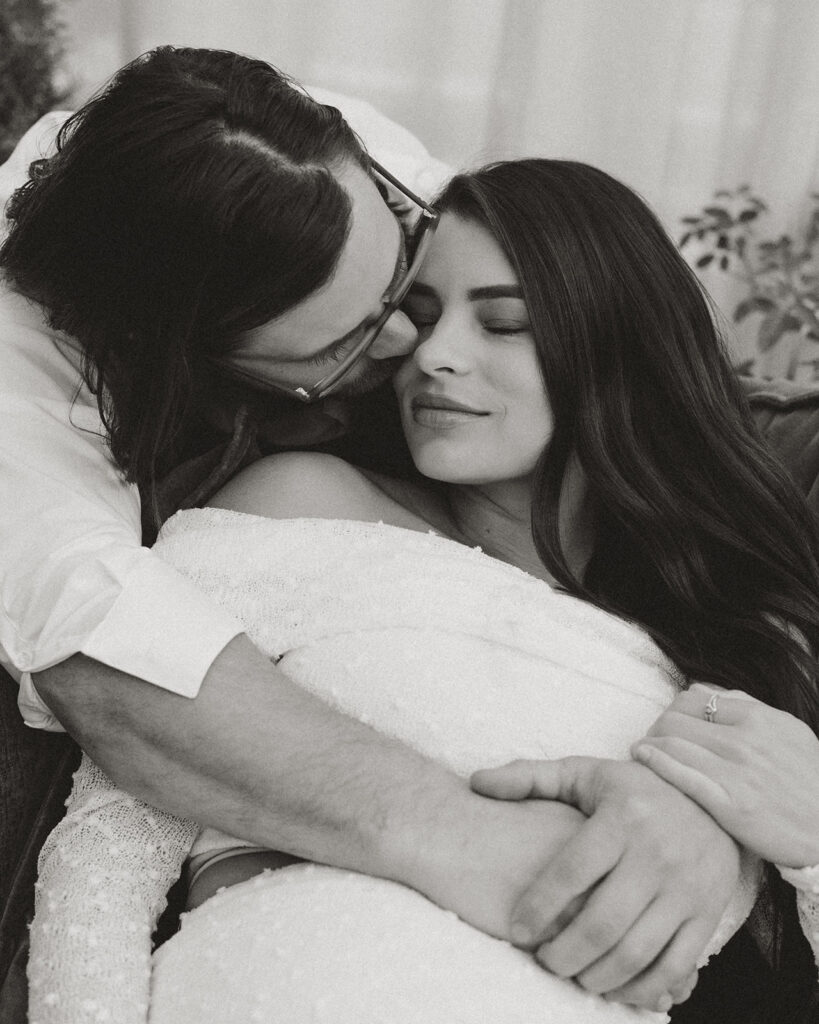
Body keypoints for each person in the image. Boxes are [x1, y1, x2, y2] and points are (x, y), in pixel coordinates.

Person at [0, 44, 751, 1012]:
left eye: (402, 275)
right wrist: (466, 838)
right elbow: (92, 645)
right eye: (353, 339)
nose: (417, 352)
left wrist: (714, 821)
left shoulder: (378, 175)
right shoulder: (42, 413)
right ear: (206, 370)